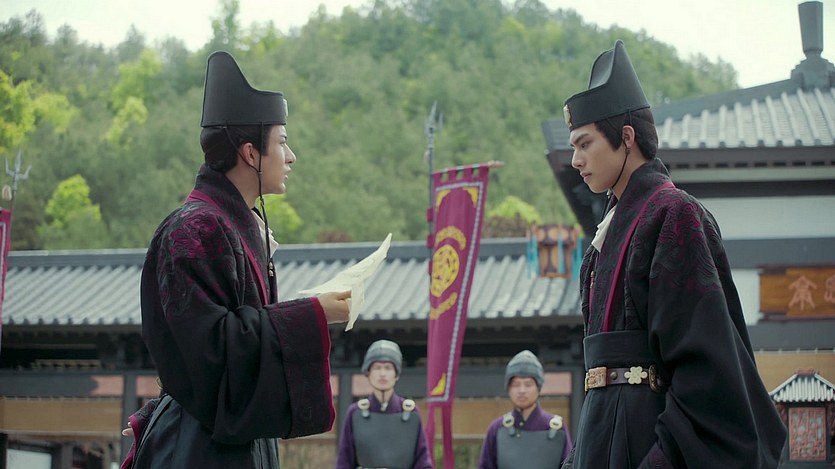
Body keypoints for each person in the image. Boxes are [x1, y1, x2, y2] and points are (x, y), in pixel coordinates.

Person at [559, 40, 786, 468]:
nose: (575, 159)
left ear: (626, 138)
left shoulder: (675, 215)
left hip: (646, 445)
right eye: (573, 147)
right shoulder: (606, 232)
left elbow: (706, 373)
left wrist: (659, 461)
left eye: (584, 144)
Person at [121, 51, 351, 469]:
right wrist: (311, 315)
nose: (291, 156)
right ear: (250, 153)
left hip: (228, 440)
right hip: (202, 449)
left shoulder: (233, 224)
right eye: (282, 142)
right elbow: (207, 351)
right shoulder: (195, 228)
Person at [335, 339, 433, 469]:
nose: (382, 374)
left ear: (396, 374)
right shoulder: (355, 413)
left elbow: (423, 462)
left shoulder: (411, 413)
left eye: (388, 368)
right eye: (377, 368)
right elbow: (344, 462)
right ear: (368, 373)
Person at [478, 350, 572, 469]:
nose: (522, 390)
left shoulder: (557, 428)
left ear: (538, 387)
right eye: (516, 384)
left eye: (528, 384)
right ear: (508, 388)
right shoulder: (497, 428)